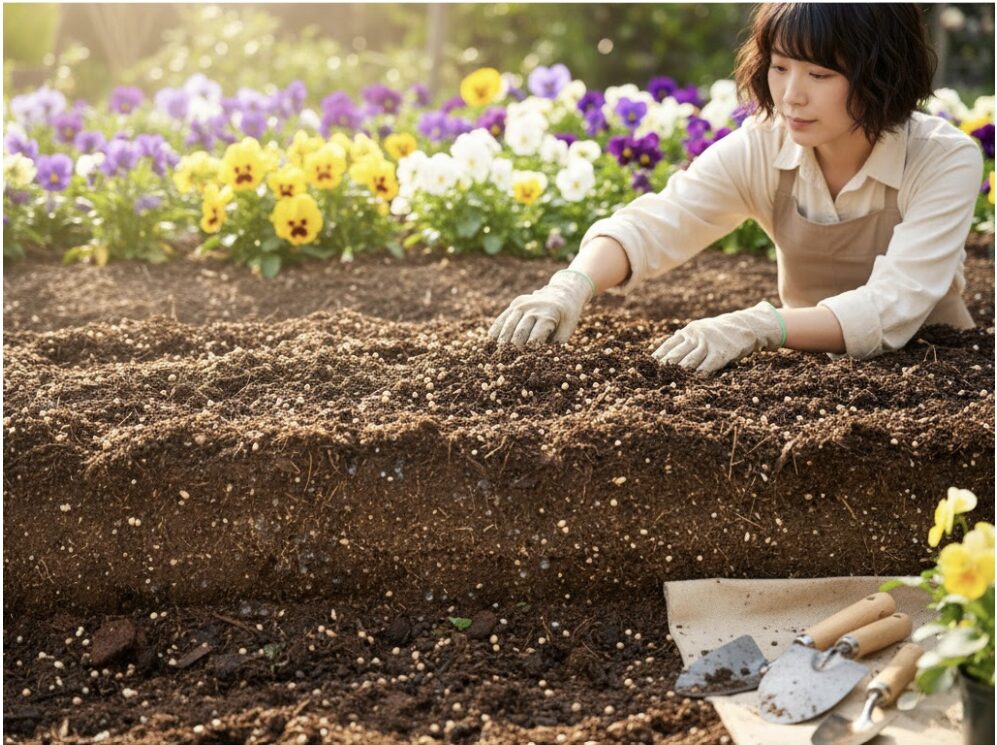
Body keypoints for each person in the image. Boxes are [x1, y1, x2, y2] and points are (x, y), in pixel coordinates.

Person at [488, 3, 984, 374]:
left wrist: (761, 325)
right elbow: (660, 221)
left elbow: (895, 305)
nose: (791, 96)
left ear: (882, 75)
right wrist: (571, 286)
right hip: (808, 372)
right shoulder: (764, 146)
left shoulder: (943, 159)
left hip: (937, 367)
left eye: (819, 74)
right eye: (780, 67)